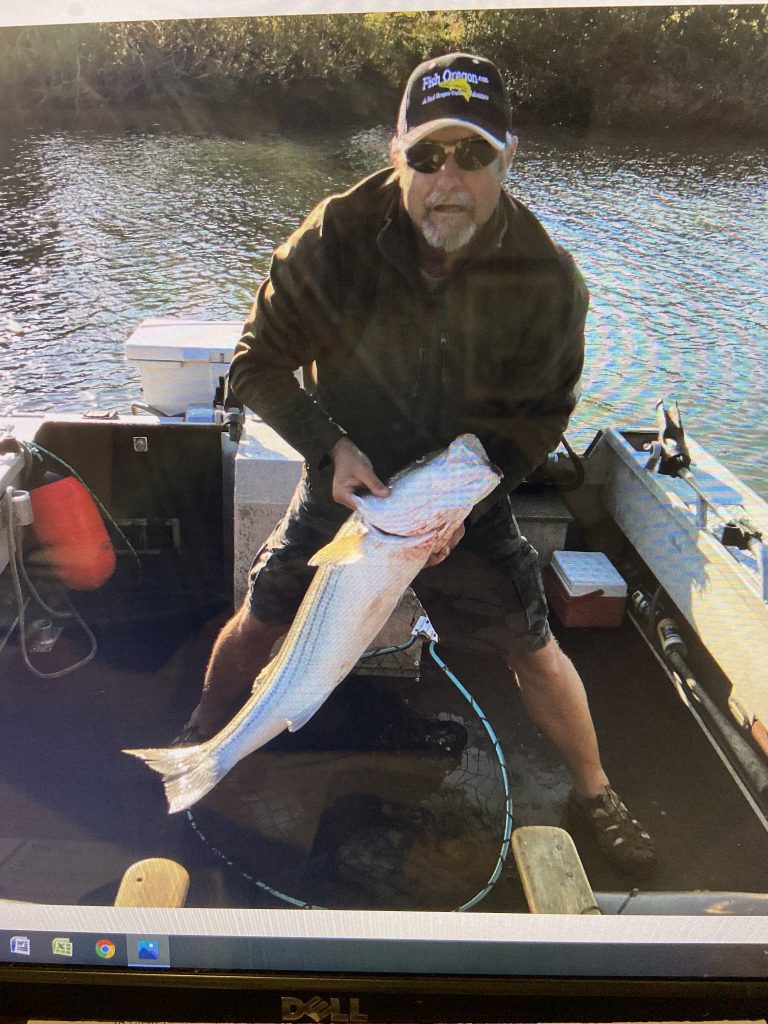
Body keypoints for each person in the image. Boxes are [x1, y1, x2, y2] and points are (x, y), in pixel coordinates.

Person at [179, 53, 656, 876]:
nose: (449, 179)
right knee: (263, 615)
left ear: (508, 159)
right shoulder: (335, 237)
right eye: (429, 155)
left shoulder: (546, 276)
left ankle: (596, 790)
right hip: (348, 482)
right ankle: (202, 738)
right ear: (397, 150)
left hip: (463, 490)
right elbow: (254, 364)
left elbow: (544, 411)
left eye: (473, 156)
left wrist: (476, 494)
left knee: (534, 648)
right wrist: (328, 446)